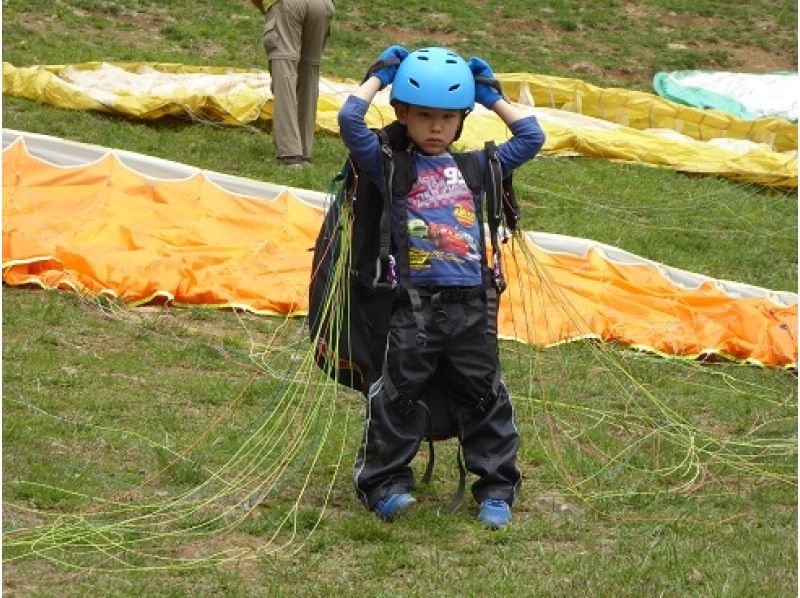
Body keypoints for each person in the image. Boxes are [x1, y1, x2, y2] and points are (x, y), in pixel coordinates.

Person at [338, 46, 546, 528]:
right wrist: (378, 78)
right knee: (397, 393)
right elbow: (350, 122)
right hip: (414, 308)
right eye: (425, 115)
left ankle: (496, 487)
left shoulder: (477, 169)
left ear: (461, 120)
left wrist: (492, 96)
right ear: (403, 114)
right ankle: (384, 484)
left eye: (448, 118)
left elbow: (531, 135)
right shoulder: (390, 167)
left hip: (473, 306)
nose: (436, 127)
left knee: (484, 393)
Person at [251, 0, 334, 167]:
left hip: (286, 4)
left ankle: (289, 154)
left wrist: (268, 9)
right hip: (322, 6)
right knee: (309, 75)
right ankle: (304, 152)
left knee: (285, 73)